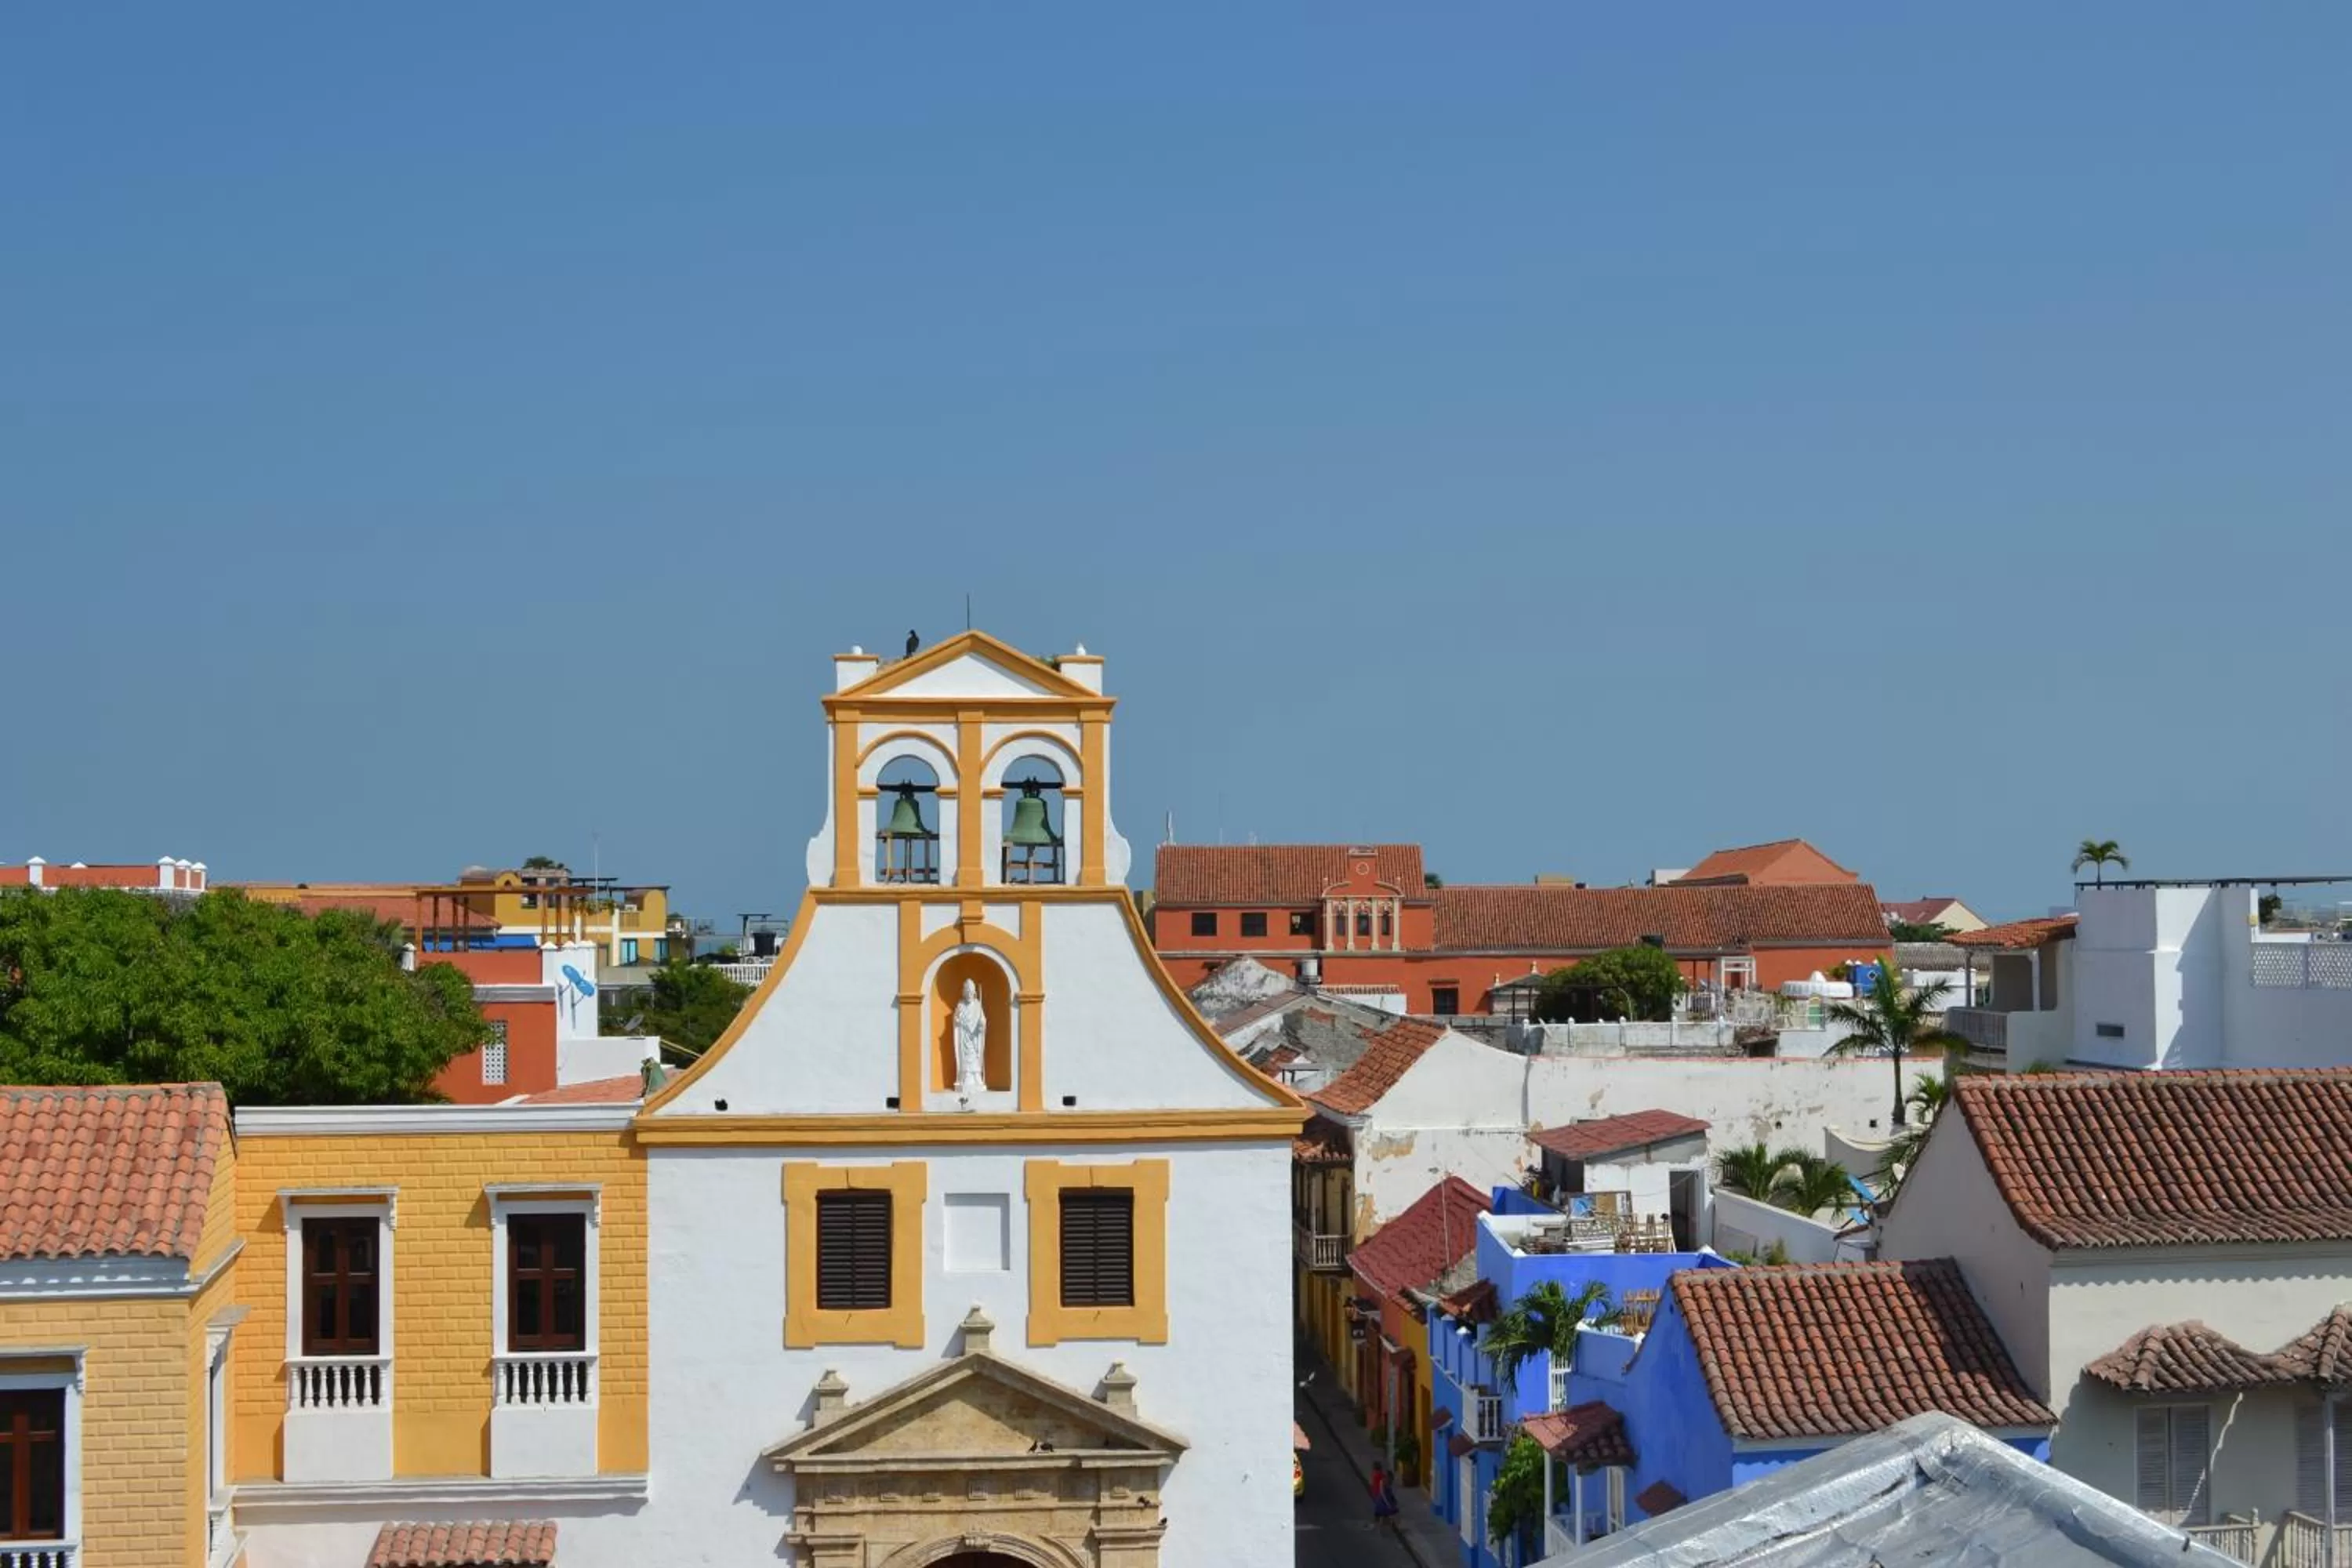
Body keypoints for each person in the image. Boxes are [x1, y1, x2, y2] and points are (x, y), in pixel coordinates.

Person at [1370, 1461, 1399, 1531]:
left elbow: (1372, 1484)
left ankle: (1380, 1526)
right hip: (1380, 1498)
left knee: (1381, 1513)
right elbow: (1383, 1493)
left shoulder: (1375, 1476)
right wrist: (1389, 1502)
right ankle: (1383, 1526)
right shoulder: (1382, 1478)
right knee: (1384, 1513)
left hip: (1377, 1495)